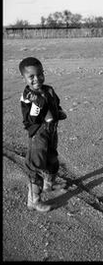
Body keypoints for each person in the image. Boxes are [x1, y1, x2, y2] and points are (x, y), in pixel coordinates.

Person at [19, 57, 67, 212]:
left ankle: (48, 185)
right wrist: (37, 105)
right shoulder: (28, 95)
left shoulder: (49, 89)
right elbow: (31, 119)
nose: (36, 79)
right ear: (24, 78)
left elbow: (55, 102)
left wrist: (59, 111)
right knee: (36, 166)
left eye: (39, 74)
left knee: (52, 158)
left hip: (51, 130)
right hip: (38, 134)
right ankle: (33, 201)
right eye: (31, 76)